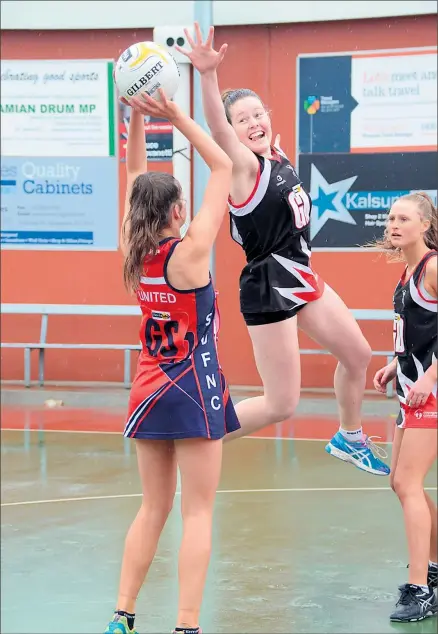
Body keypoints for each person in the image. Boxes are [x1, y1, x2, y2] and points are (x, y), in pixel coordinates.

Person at [175, 23, 389, 476]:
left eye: (258, 114)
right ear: (232, 133)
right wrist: (208, 76)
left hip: (300, 274)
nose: (254, 123)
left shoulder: (276, 157)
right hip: (269, 285)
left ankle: (349, 436)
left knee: (358, 354)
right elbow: (216, 124)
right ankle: (195, 439)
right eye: (243, 119)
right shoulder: (242, 168)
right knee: (281, 403)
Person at [104, 88, 239, 634]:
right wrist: (176, 115)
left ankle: (122, 615)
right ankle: (186, 625)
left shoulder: (132, 250)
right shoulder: (190, 252)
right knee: (198, 511)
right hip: (193, 390)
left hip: (147, 388)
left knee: (151, 508)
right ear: (179, 210)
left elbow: (136, 175)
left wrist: (136, 116)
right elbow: (225, 163)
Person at [372, 192, 437, 622]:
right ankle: (431, 571)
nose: (394, 225)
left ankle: (420, 590)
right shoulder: (406, 272)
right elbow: (419, 332)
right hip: (411, 389)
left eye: (404, 218)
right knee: (401, 482)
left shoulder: (433, 267)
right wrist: (396, 364)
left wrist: (430, 377)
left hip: (431, 391)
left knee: (408, 483)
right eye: (392, 218)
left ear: (425, 225)